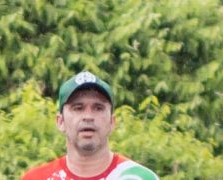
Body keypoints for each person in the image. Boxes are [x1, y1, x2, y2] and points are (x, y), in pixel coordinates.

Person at [22, 71, 159, 180]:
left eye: (98, 108)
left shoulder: (139, 177)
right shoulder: (36, 178)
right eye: (78, 108)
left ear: (112, 122)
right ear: (60, 121)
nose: (88, 116)